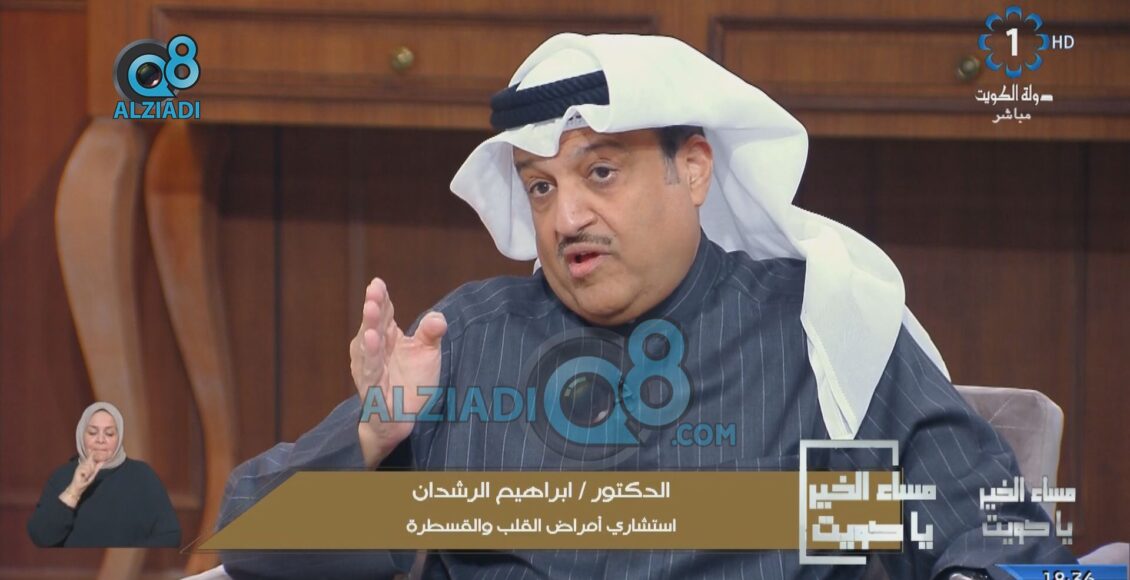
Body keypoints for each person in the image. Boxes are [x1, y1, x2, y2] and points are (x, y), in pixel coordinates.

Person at [217, 34, 1075, 579]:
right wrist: (373, 436)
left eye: (600, 172)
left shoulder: (820, 328)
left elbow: (1002, 536)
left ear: (693, 168)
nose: (566, 218)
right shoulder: (470, 342)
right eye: (541, 187)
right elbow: (251, 543)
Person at [27, 401, 181, 548]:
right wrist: (74, 490)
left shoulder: (143, 476)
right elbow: (41, 537)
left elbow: (170, 535)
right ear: (81, 434)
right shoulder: (62, 476)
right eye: (92, 432)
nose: (100, 440)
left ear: (119, 437)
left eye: (109, 433)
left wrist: (125, 558)